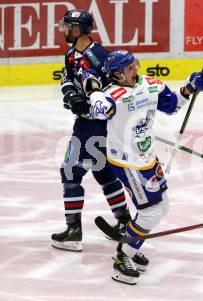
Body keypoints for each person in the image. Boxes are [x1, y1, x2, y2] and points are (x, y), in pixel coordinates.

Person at [87, 49, 203, 284]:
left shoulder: (151, 84)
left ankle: (132, 241)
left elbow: (172, 105)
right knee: (150, 211)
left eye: (135, 65)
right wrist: (94, 94)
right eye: (129, 68)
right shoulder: (113, 93)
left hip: (146, 158)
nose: (135, 70)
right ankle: (123, 257)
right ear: (117, 74)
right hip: (126, 161)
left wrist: (190, 87)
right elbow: (101, 110)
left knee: (162, 206)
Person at [51, 9, 130, 252]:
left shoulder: (98, 55)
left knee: (70, 172)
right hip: (88, 123)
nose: (64, 30)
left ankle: (73, 230)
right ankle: (125, 222)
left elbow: (115, 85)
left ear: (79, 30)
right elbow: (67, 80)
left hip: (94, 125)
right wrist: (72, 97)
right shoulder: (71, 54)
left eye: (69, 27)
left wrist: (94, 103)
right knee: (103, 172)